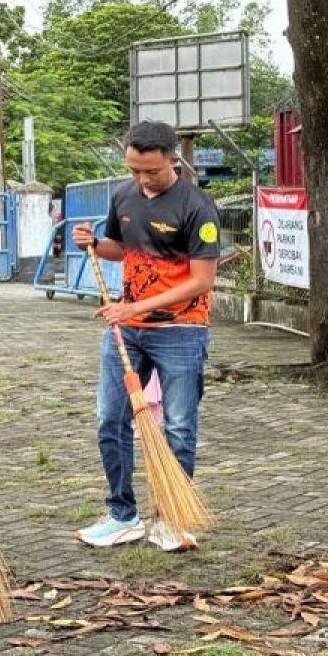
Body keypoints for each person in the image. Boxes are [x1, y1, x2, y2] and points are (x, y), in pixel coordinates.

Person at [70, 120, 221, 552]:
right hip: (127, 331)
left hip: (181, 330)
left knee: (177, 427)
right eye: (134, 169)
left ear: (174, 159)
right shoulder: (123, 196)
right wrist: (95, 244)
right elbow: (122, 247)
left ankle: (174, 518)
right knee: (110, 420)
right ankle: (123, 515)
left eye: (150, 171)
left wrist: (135, 306)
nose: (141, 179)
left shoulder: (197, 206)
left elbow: (202, 280)